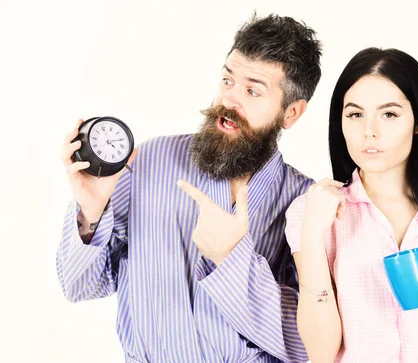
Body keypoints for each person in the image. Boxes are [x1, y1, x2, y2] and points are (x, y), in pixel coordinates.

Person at [57, 13, 322, 363]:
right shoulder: (149, 162)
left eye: (252, 90)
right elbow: (79, 287)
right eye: (227, 80)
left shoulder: (306, 203)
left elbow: (310, 345)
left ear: (291, 113)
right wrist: (90, 212)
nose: (230, 100)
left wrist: (231, 262)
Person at [285, 47, 418, 363]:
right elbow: (320, 353)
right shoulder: (313, 212)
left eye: (389, 114)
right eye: (355, 114)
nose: (369, 131)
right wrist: (311, 236)